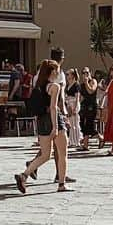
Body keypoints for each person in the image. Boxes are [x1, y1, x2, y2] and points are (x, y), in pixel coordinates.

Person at [14, 60, 70, 193]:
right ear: (52, 72)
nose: (58, 72)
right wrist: (55, 127)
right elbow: (53, 107)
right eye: (56, 70)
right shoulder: (54, 87)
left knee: (45, 155)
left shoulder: (39, 85)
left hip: (41, 121)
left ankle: (24, 175)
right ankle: (61, 184)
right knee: (63, 153)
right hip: (53, 120)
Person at [64, 69, 82, 148]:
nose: (67, 76)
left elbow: (77, 97)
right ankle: (72, 140)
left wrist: (75, 107)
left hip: (74, 103)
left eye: (68, 74)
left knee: (75, 123)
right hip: (69, 103)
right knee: (71, 123)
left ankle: (77, 140)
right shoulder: (68, 85)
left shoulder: (76, 85)